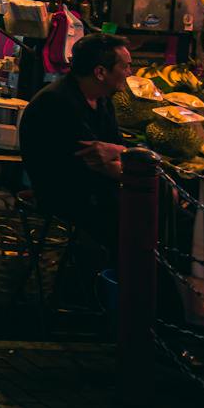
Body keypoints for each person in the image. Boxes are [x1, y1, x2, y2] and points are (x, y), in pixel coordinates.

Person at [19, 33, 133, 249]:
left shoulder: (102, 100)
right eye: (125, 66)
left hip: (96, 192)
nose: (130, 73)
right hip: (66, 200)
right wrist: (122, 158)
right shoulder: (57, 102)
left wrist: (117, 151)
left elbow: (117, 151)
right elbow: (99, 163)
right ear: (100, 72)